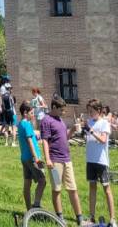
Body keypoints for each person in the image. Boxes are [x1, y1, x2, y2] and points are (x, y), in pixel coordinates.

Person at [40, 96, 83, 225]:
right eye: (61, 110)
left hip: (66, 159)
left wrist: (73, 130)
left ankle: (80, 218)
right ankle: (60, 218)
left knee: (73, 188)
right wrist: (48, 159)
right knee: (57, 189)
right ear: (54, 107)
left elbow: (65, 137)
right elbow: (45, 141)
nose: (63, 113)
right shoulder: (46, 120)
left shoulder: (60, 120)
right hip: (55, 161)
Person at [85, 99, 116, 227]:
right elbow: (87, 138)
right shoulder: (89, 122)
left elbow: (103, 140)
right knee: (92, 188)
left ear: (98, 110)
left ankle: (112, 219)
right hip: (90, 160)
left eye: (91, 111)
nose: (89, 113)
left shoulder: (104, 123)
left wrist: (91, 131)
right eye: (88, 111)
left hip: (101, 161)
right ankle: (92, 217)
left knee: (106, 189)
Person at [17, 101, 46, 209]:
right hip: (31, 158)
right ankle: (36, 205)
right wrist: (36, 158)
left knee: (27, 183)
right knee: (42, 180)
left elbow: (27, 139)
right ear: (25, 113)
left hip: (24, 158)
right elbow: (29, 142)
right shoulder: (27, 124)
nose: (33, 115)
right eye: (32, 113)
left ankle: (29, 208)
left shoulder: (20, 124)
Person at [0, 80, 16, 146]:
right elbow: (13, 104)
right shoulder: (11, 96)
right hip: (12, 112)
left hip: (6, 112)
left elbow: (2, 104)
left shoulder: (3, 96)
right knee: (13, 128)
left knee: (6, 129)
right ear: (9, 89)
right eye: (10, 88)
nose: (11, 89)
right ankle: (13, 143)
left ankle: (6, 142)